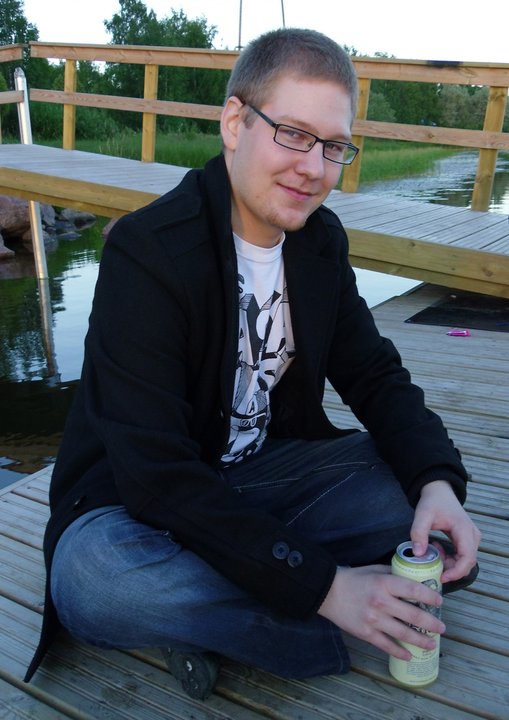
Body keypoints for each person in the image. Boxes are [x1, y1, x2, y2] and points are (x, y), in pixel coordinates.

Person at [25, 28, 480, 699]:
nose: (313, 167)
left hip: (258, 480)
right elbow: (155, 476)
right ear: (235, 122)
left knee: (409, 496)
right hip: (131, 504)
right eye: (293, 134)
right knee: (97, 583)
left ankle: (220, 614)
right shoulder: (148, 254)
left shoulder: (318, 243)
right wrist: (324, 588)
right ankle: (310, 615)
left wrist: (438, 483)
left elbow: (375, 376)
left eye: (333, 146)